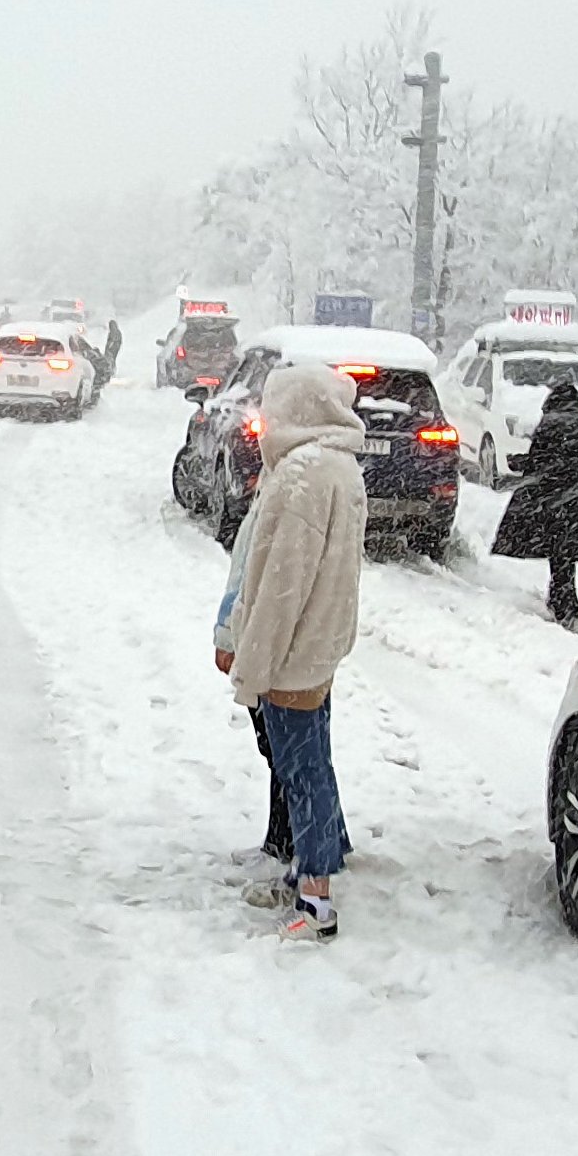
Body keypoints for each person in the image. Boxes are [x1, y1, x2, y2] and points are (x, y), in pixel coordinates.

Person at [222, 363, 367, 943]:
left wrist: (252, 665)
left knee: (303, 776)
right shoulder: (340, 468)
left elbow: (280, 586)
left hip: (291, 651)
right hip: (320, 645)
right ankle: (306, 873)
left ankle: (316, 901)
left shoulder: (300, 477)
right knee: (312, 768)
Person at [489, 380, 578, 623]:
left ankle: (561, 602)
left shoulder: (549, 426)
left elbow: (539, 464)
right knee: (567, 552)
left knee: (559, 551)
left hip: (556, 502)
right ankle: (565, 600)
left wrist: (527, 469)